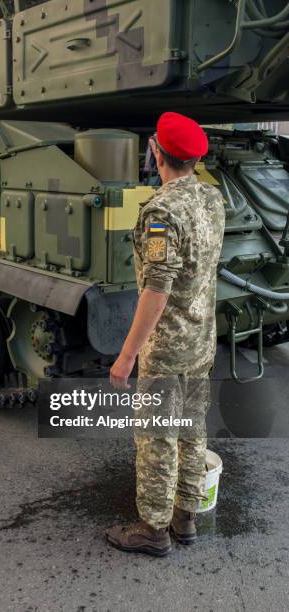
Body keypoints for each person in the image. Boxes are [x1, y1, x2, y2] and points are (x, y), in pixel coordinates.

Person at [106, 112, 225, 557]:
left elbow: (158, 288)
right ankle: (185, 517)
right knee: (193, 428)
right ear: (194, 158)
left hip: (169, 347)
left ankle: (153, 530)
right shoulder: (212, 200)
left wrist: (126, 355)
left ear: (156, 152)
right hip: (201, 339)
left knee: (157, 434)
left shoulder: (160, 212)